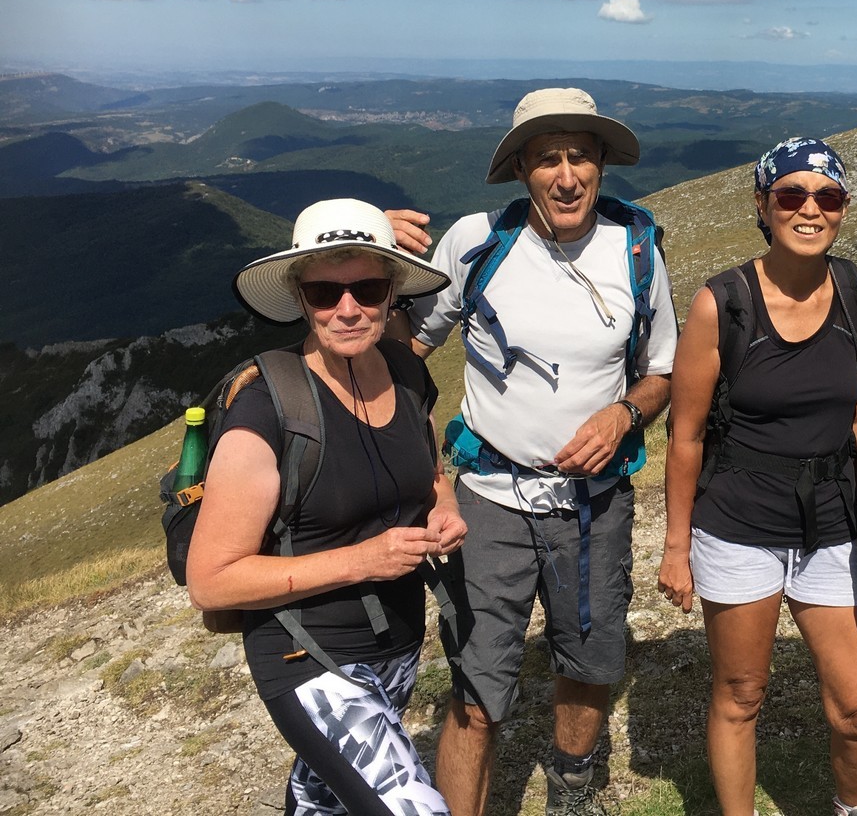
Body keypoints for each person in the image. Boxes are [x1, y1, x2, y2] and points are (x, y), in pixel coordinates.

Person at [386, 87, 677, 816]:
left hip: (595, 502)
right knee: (479, 689)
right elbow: (401, 351)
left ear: (603, 163)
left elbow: (661, 373)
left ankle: (571, 791)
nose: (567, 175)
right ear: (521, 169)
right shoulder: (476, 241)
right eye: (548, 158)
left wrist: (622, 414)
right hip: (488, 498)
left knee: (589, 660)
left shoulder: (636, 248)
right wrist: (377, 264)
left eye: (581, 155)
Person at [187, 197, 465, 816]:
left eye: (367, 287)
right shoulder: (265, 410)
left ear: (393, 292)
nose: (347, 309)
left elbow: (428, 473)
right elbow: (210, 581)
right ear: (299, 298)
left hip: (395, 640)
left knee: (324, 804)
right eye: (324, 293)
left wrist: (442, 505)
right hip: (305, 654)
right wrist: (361, 560)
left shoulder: (405, 371)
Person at [659, 138, 857, 816]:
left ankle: (856, 810)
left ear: (843, 209)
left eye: (829, 197)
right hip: (738, 526)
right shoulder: (720, 304)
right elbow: (686, 435)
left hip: (834, 523)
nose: (810, 209)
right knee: (740, 695)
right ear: (763, 205)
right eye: (791, 195)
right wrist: (677, 549)